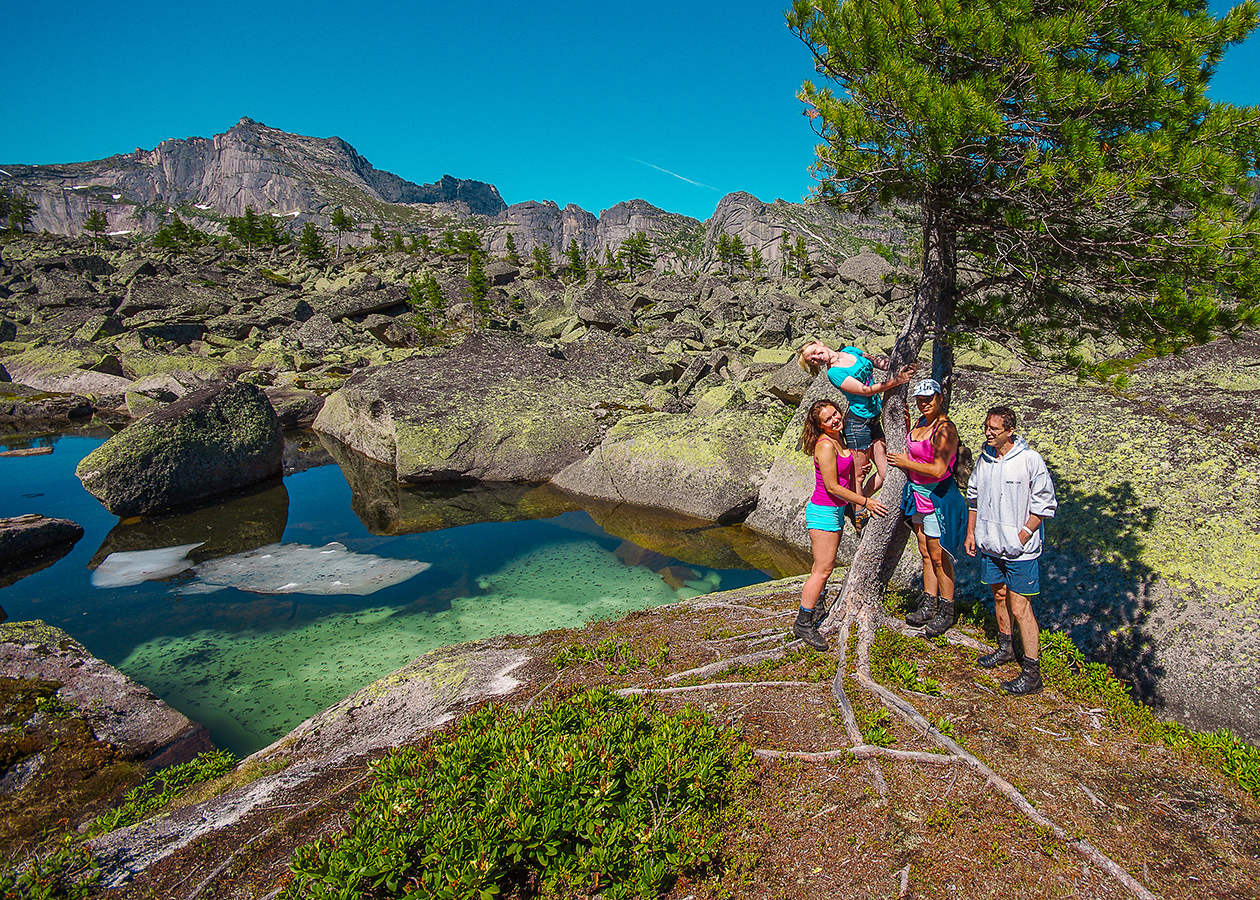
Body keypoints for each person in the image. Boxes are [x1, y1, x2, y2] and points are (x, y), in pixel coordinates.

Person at [965, 405, 1058, 695]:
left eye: (994, 428)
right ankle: (1005, 647)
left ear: (1010, 430)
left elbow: (1044, 504)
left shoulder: (1030, 460)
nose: (988, 433)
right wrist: (971, 532)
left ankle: (1032, 673)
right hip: (991, 543)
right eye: (987, 427)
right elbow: (974, 497)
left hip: (1020, 550)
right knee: (999, 596)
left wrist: (1022, 535)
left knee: (1020, 606)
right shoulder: (985, 459)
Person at [795, 398, 888, 650]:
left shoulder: (840, 438)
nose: (835, 420)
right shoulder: (825, 445)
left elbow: (845, 477)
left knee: (821, 566)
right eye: (828, 419)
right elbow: (832, 486)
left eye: (835, 414)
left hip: (836, 509)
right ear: (820, 425)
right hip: (824, 511)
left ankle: (817, 607)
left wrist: (860, 472)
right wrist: (865, 502)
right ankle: (803, 623)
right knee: (823, 570)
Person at [797, 341, 917, 519]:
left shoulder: (850, 351)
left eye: (815, 352)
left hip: (874, 418)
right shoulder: (834, 373)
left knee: (884, 473)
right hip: (858, 423)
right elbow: (865, 390)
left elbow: (877, 362)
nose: (816, 358)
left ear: (819, 343)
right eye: (812, 360)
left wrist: (901, 367)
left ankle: (857, 503)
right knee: (858, 475)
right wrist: (897, 381)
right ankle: (858, 513)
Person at [888, 379, 967, 637]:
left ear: (940, 397)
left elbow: (938, 469)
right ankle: (928, 602)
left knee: (939, 556)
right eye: (920, 399)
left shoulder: (945, 430)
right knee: (924, 552)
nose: (924, 403)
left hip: (938, 498)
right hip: (918, 496)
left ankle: (946, 610)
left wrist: (905, 462)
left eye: (929, 398)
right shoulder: (921, 423)